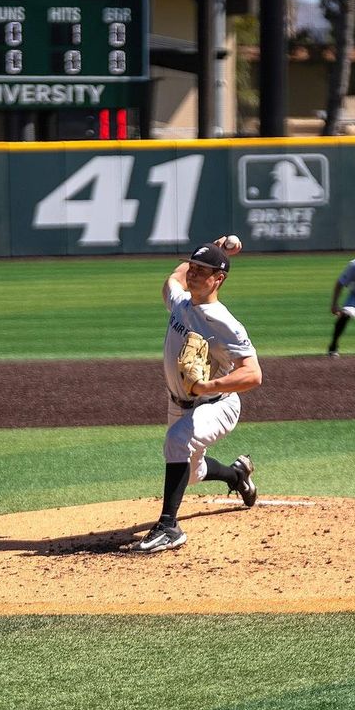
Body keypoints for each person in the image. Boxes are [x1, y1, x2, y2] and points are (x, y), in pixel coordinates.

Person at [135, 236, 264, 553]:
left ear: (218, 279)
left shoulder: (224, 322)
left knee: (177, 441)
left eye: (202, 270)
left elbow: (253, 374)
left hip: (218, 404)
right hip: (179, 405)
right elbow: (173, 278)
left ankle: (169, 527)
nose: (192, 274)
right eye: (192, 267)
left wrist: (208, 387)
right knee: (193, 473)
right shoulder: (181, 302)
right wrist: (215, 247)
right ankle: (237, 475)